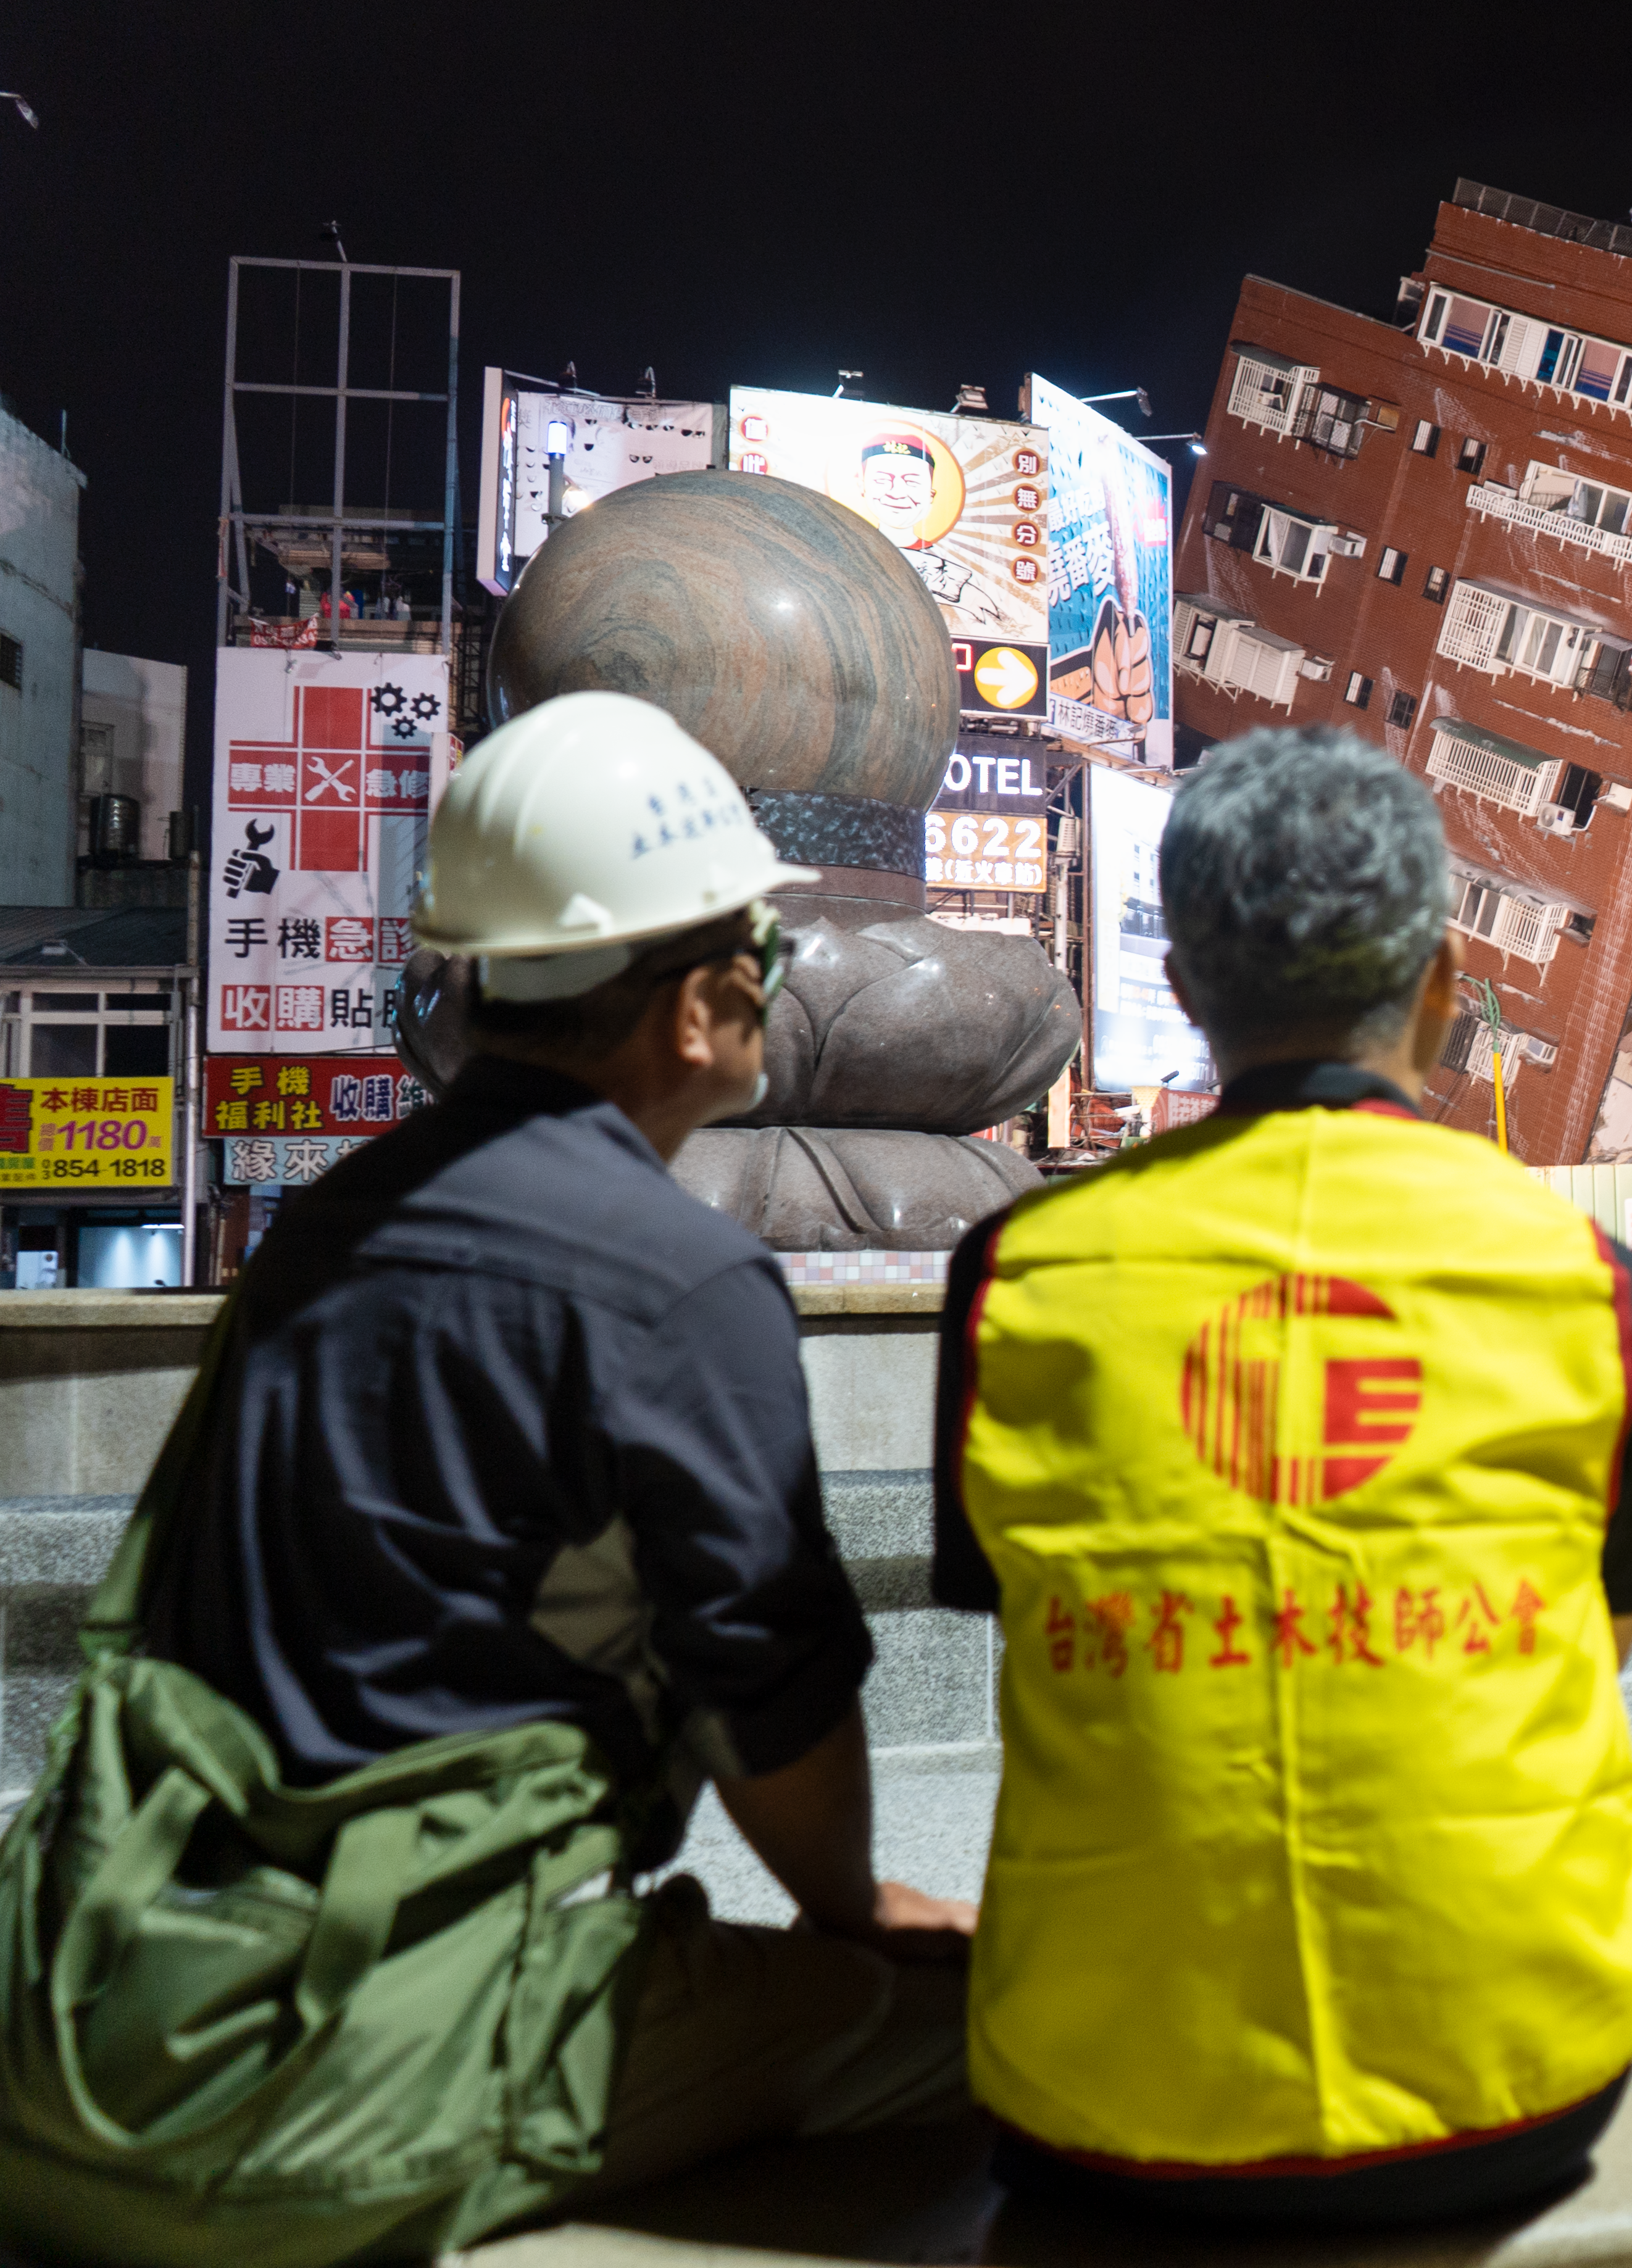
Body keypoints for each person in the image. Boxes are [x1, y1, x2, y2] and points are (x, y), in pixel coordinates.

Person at [0, 691, 973, 2266]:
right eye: (765, 961)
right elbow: (768, 1678)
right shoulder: (679, 1280)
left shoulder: (330, 1221)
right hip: (327, 2086)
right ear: (699, 1000)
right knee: (1001, 2025)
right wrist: (856, 1909)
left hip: (88, 2006)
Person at [933, 729, 1632, 2229]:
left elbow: (1022, 1615)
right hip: (1515, 2073)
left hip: (1108, 2091)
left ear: (1190, 991)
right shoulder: (1585, 1280)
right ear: (1442, 983)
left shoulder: (1019, 1271)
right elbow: (1594, 1640)